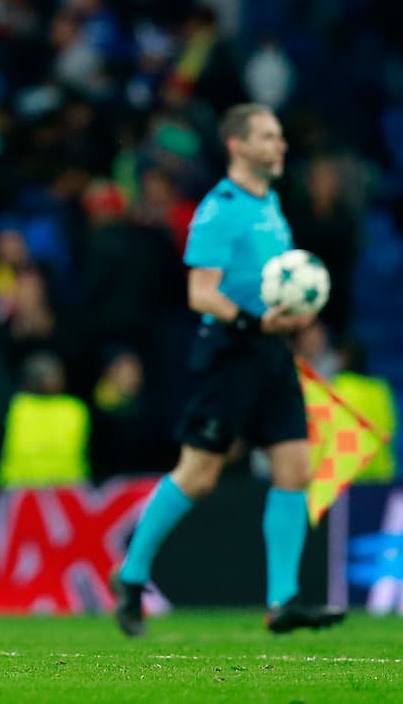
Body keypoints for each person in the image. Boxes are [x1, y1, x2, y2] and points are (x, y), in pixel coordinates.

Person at [110, 104, 346, 637]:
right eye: (267, 137)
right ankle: (130, 574)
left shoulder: (272, 203)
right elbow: (200, 294)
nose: (279, 145)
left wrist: (294, 318)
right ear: (237, 146)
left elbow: (271, 283)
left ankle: (283, 601)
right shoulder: (219, 209)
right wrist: (253, 321)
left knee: (295, 469)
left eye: (280, 136)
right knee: (199, 474)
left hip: (271, 353)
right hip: (231, 353)